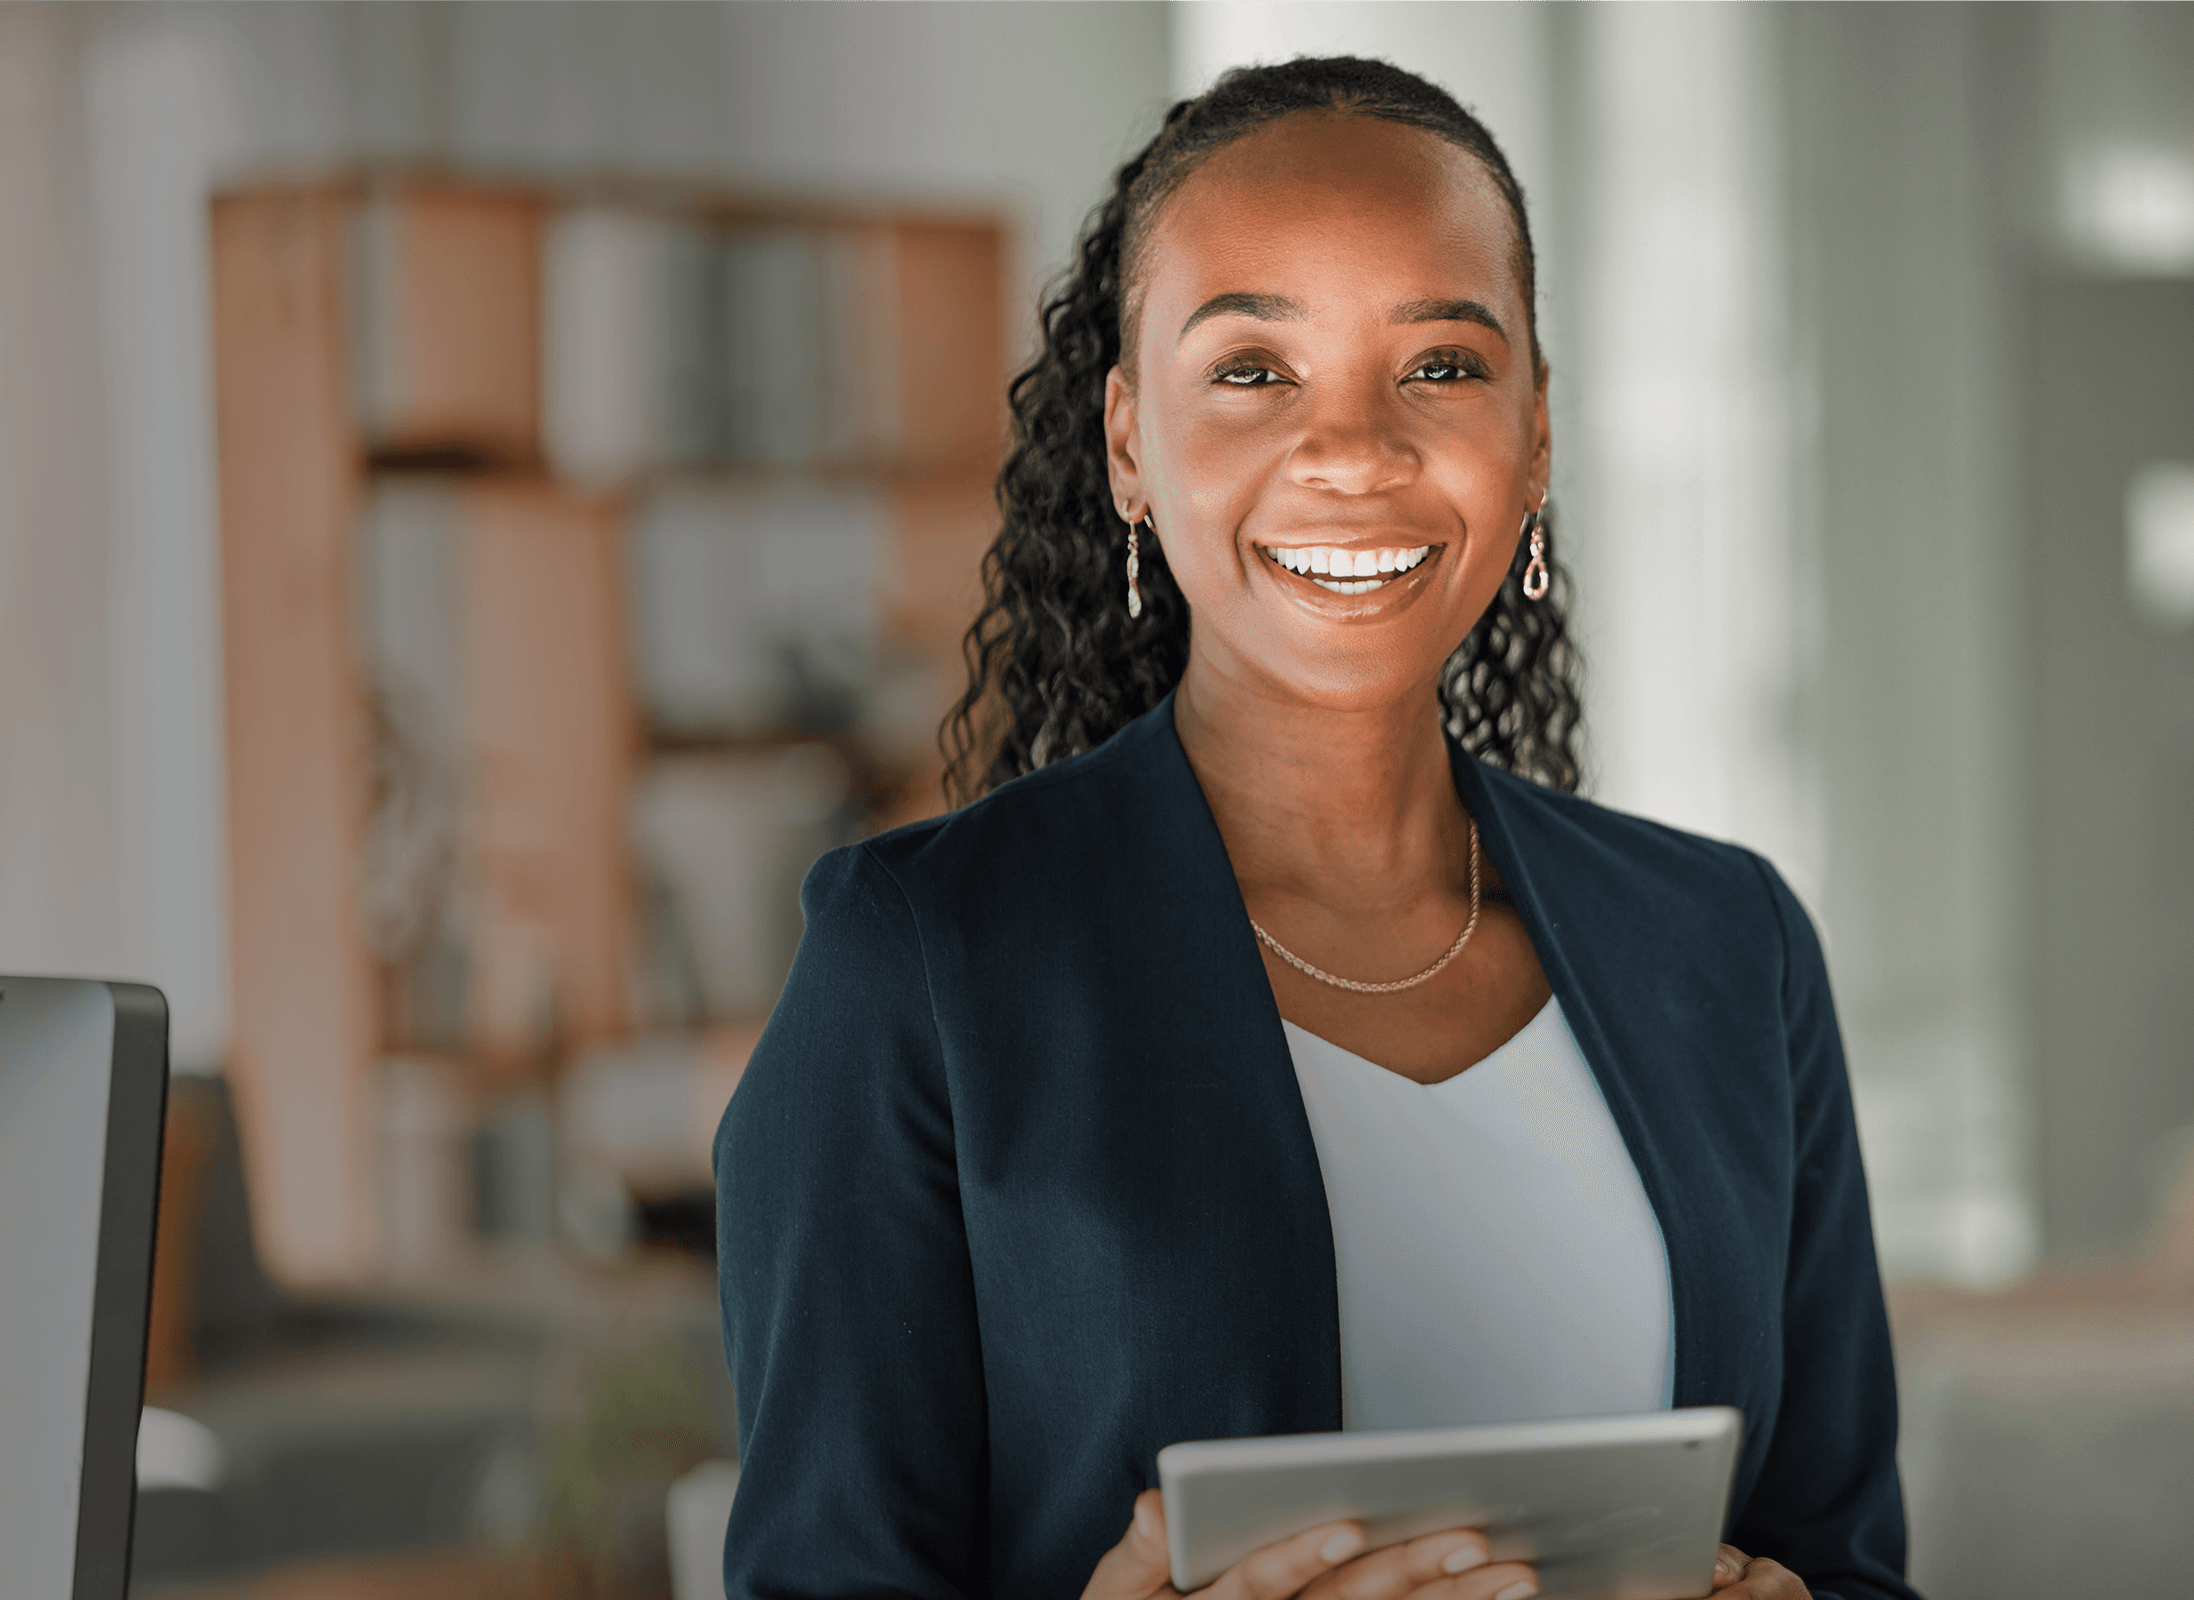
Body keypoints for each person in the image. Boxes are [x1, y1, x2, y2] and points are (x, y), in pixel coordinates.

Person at [716, 56, 1916, 1600]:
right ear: (1131, 441)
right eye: (1253, 371)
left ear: (1535, 437)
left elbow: (1852, 1560)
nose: (1354, 452)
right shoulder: (925, 967)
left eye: (1439, 366)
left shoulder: (1728, 946)